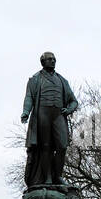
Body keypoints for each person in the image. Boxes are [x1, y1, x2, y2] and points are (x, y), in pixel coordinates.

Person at [21, 51, 78, 187]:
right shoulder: (35, 79)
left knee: (62, 146)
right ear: (43, 62)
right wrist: (25, 112)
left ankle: (57, 176)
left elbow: (74, 101)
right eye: (49, 59)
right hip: (42, 113)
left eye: (54, 59)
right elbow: (29, 97)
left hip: (58, 114)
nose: (52, 61)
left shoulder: (62, 81)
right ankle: (47, 178)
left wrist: (69, 109)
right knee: (45, 146)